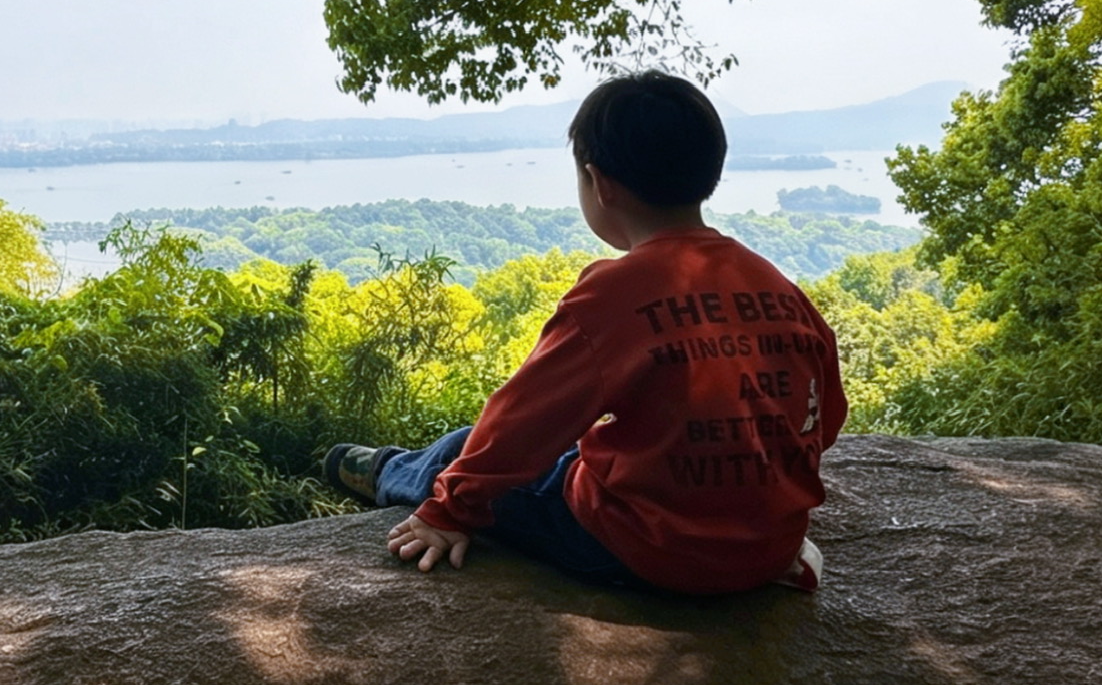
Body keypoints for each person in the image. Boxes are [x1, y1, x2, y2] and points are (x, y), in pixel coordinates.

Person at [323, 71, 843, 595]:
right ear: (711, 170)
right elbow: (826, 415)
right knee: (562, 453)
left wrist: (449, 512)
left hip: (645, 549)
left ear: (599, 182)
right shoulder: (776, 286)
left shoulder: (612, 295)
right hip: (769, 548)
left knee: (465, 449)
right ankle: (402, 467)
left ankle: (388, 472)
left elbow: (521, 421)